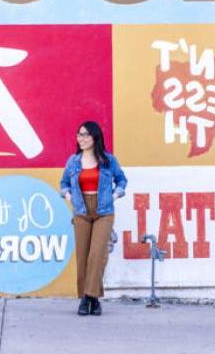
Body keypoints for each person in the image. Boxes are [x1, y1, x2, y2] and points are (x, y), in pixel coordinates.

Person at [59, 121, 127, 316]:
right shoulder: (73, 161)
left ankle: (89, 298)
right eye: (79, 134)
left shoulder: (108, 160)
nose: (81, 138)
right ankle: (90, 299)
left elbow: (122, 179)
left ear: (95, 138)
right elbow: (63, 183)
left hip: (104, 210)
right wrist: (68, 195)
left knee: (97, 256)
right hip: (81, 210)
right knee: (83, 257)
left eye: (86, 135)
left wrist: (116, 194)